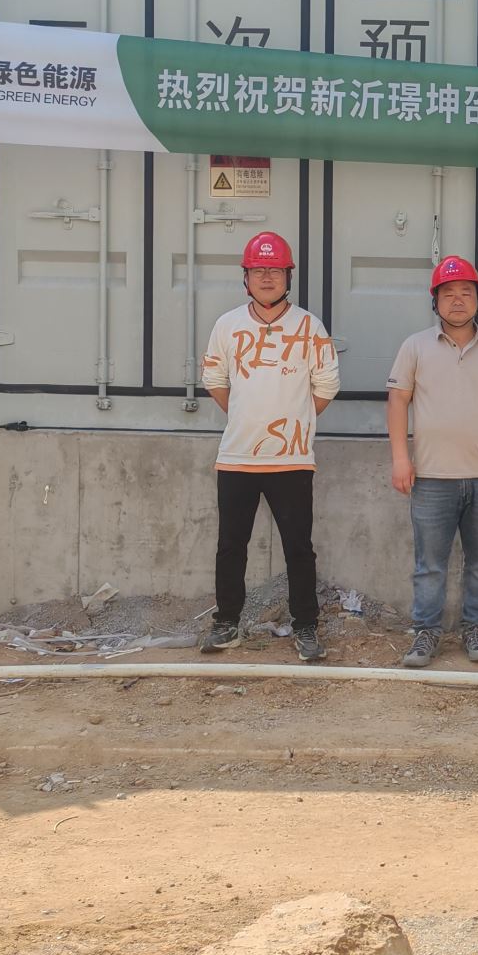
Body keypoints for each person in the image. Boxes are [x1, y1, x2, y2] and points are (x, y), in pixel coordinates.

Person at [199, 230, 340, 663]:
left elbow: (326, 385)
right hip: (237, 457)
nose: (266, 277)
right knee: (230, 546)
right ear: (245, 277)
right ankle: (226, 623)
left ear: (288, 277)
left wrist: (293, 421)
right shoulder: (227, 325)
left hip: (291, 459)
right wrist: (247, 417)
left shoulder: (309, 327)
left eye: (275, 270)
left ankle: (306, 626)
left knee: (299, 548)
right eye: (258, 270)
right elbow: (215, 380)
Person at [387, 255, 478, 667]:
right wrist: (400, 458)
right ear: (436, 301)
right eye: (448, 293)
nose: (457, 300)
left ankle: (475, 626)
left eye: (466, 292)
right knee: (429, 565)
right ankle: (426, 632)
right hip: (431, 477)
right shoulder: (415, 346)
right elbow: (398, 401)